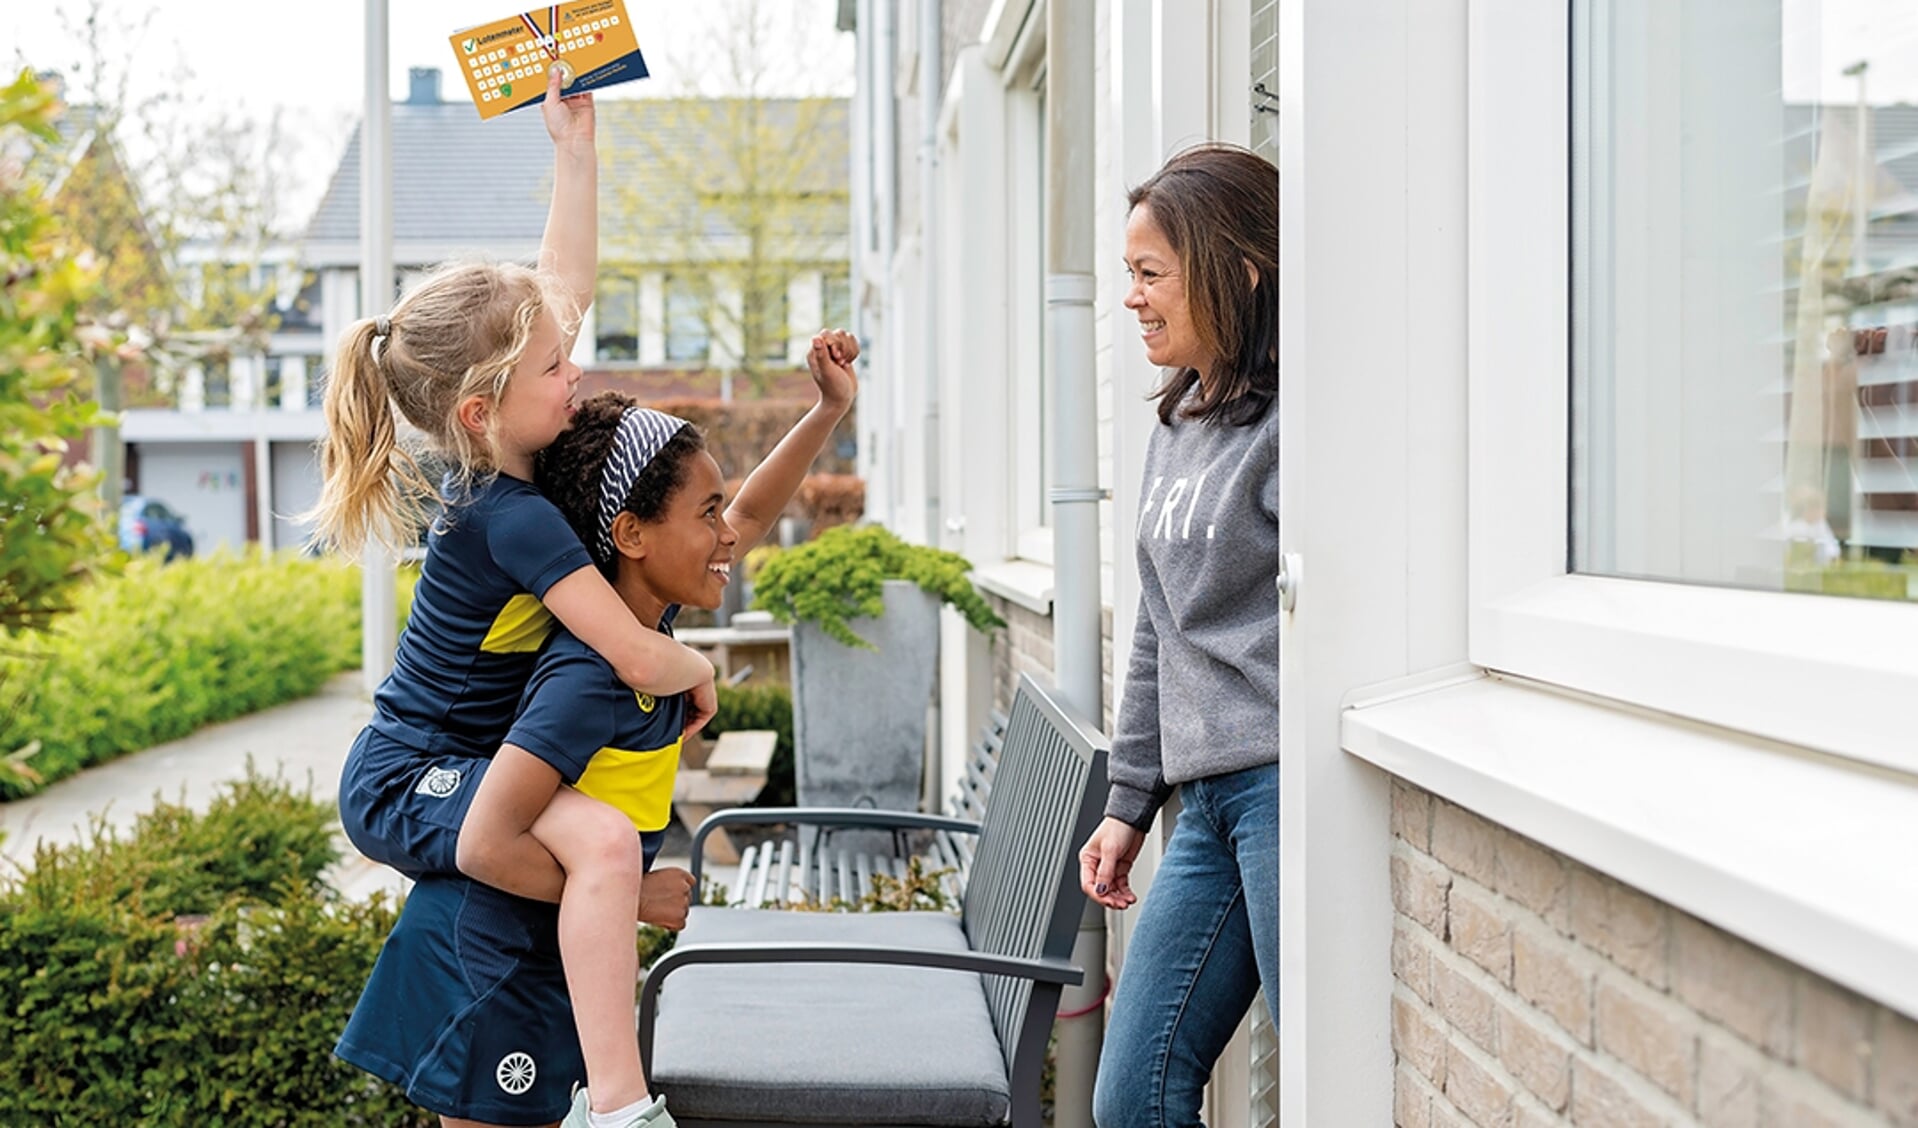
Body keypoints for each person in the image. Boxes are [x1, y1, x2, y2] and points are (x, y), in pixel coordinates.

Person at [310, 68, 706, 1127]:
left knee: (573, 875)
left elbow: (559, 284)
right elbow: (631, 652)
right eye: (553, 367)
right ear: (484, 411)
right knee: (603, 849)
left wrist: (573, 151)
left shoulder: (520, 464)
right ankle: (620, 1102)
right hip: (409, 776)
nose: (571, 373)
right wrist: (700, 671)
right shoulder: (508, 514)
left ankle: (570, 1073)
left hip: (457, 766)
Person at [338, 335, 860, 1128]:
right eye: (706, 512)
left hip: (550, 953)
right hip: (493, 958)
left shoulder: (650, 613)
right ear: (631, 536)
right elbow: (486, 842)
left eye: (722, 512)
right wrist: (639, 896)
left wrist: (829, 409)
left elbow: (754, 509)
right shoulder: (591, 674)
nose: (731, 536)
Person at [1077, 143, 1279, 1128]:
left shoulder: (1294, 424)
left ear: (1235, 271)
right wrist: (1128, 800)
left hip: (1283, 793)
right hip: (1202, 806)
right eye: (1128, 275)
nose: (1132, 298)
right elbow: (1158, 625)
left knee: (1318, 1075)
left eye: (1150, 274)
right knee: (1132, 1098)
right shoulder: (1176, 425)